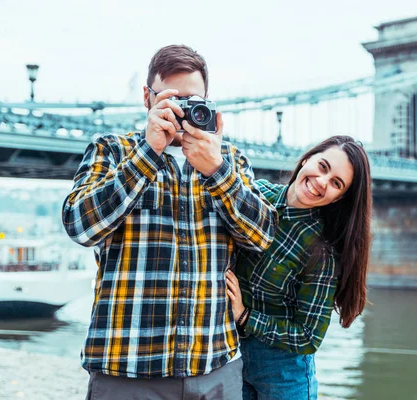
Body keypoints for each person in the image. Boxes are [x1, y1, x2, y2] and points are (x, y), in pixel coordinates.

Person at [62, 44, 277, 400]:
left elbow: (261, 236)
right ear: (148, 98)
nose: (182, 112)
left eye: (193, 101)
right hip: (126, 371)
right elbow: (80, 226)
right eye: (172, 99)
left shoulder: (231, 161)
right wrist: (148, 154)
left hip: (214, 370)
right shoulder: (110, 150)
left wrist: (217, 171)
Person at [225, 135, 373, 400]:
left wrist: (245, 316)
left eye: (336, 183)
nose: (321, 182)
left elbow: (308, 337)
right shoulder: (257, 194)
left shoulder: (321, 250)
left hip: (283, 375)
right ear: (307, 158)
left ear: (338, 198)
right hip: (230, 358)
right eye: (323, 166)